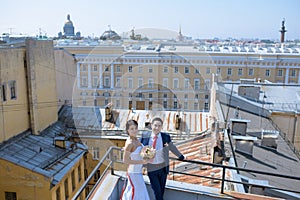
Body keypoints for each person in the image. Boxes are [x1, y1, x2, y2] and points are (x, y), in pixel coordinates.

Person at [141, 117, 185, 200]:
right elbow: (139, 147)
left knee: (161, 191)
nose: (157, 128)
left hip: (163, 168)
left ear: (162, 127)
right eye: (155, 125)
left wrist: (181, 156)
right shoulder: (145, 136)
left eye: (159, 126)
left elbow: (172, 147)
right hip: (152, 168)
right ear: (151, 126)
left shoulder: (165, 137)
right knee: (157, 193)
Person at [121, 119, 150, 200]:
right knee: (137, 191)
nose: (134, 131)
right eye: (132, 129)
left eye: (135, 128)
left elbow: (136, 151)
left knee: (136, 191)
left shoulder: (136, 139)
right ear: (128, 130)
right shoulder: (130, 143)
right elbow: (125, 160)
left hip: (138, 171)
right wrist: (142, 161)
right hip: (133, 172)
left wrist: (148, 151)